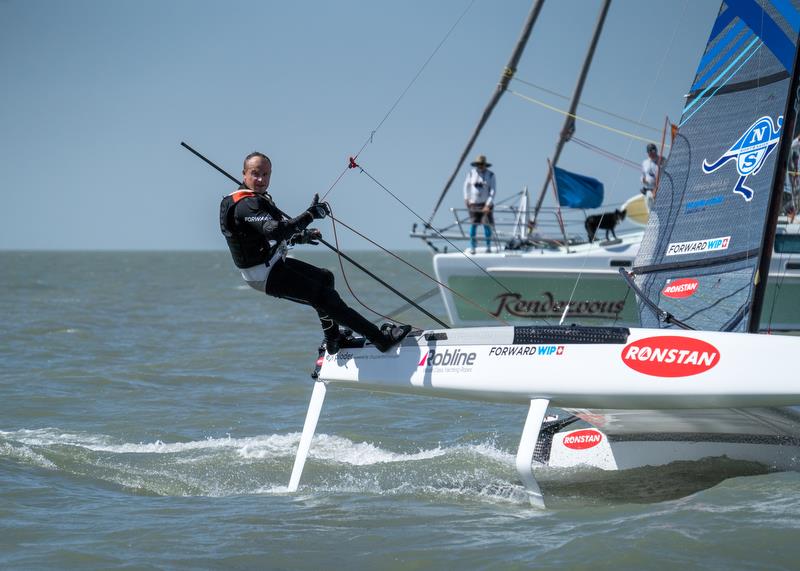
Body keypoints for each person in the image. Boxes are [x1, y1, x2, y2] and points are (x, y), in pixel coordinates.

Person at [219, 152, 412, 354]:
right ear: (244, 174)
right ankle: (380, 339)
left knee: (325, 277)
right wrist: (310, 215)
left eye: (265, 174)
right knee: (323, 297)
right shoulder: (245, 205)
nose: (260, 179)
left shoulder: (254, 199)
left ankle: (333, 339)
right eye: (255, 173)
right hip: (262, 275)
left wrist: (301, 236)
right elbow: (274, 231)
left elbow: (261, 237)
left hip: (272, 263)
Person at [463, 154, 496, 254]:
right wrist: (466, 199)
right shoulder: (470, 174)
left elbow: (493, 191)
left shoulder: (491, 175)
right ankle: (473, 247)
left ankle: (488, 246)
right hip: (474, 204)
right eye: (478, 164)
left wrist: (488, 204)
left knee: (486, 225)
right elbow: (466, 187)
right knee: (473, 225)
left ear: (485, 165)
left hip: (485, 205)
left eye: (482, 164)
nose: (480, 166)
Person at [641, 143, 661, 210]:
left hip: (659, 190)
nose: (652, 153)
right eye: (650, 152)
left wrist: (655, 190)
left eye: (653, 151)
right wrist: (643, 180)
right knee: (650, 208)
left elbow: (661, 177)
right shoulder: (645, 163)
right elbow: (643, 175)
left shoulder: (661, 161)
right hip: (648, 189)